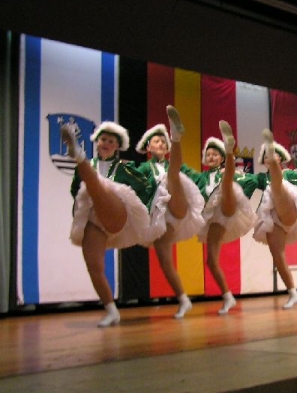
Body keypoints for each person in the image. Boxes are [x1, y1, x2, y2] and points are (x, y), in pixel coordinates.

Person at [61, 121, 156, 327]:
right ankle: (112, 311)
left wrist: (142, 214)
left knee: (97, 185)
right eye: (103, 139)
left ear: (117, 146)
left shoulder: (125, 167)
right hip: (94, 218)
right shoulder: (87, 169)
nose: (106, 143)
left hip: (118, 214)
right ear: (97, 142)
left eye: (111, 141)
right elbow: (76, 191)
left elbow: (146, 187)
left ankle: (77, 155)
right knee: (94, 266)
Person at [135, 106, 205, 318]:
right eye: (157, 141)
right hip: (160, 217)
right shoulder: (143, 169)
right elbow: (134, 188)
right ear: (148, 146)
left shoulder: (175, 166)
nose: (160, 144)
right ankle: (183, 299)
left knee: (173, 174)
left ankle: (177, 137)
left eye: (164, 142)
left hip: (179, 206)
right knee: (165, 263)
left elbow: (199, 179)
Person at [237, 129, 297, 309]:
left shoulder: (290, 174)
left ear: (280, 158)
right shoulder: (260, 178)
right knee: (278, 257)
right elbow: (244, 182)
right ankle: (293, 293)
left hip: (289, 212)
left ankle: (275, 165)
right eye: (266, 156)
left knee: (278, 185)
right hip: (272, 220)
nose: (268, 158)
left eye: (271, 155)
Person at [183, 121, 256, 314]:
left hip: (228, 206)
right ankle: (228, 296)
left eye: (215, 154)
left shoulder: (226, 171)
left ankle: (230, 147)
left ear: (222, 158)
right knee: (211, 261)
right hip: (215, 218)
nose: (211, 156)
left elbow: (245, 178)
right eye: (208, 154)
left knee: (227, 181)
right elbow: (183, 173)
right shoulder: (201, 178)